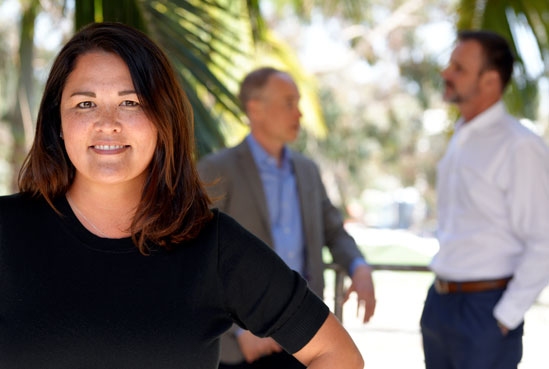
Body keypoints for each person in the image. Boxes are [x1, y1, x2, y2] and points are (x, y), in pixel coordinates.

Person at [0, 22, 365, 369]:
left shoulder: (213, 246)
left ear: (163, 119)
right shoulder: (6, 230)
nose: (107, 121)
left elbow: (337, 354)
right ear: (57, 124)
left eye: (131, 103)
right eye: (85, 104)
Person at [198, 67, 376, 369]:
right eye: (289, 103)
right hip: (243, 347)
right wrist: (238, 330)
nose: (300, 114)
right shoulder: (216, 170)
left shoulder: (307, 171)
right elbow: (195, 256)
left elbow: (334, 231)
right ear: (255, 108)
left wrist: (359, 267)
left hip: (304, 340)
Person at [420, 30, 549, 369]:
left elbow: (544, 240)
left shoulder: (519, 145)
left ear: (490, 81)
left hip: (485, 313)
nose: (446, 73)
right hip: (440, 305)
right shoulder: (461, 136)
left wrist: (503, 318)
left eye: (459, 68)